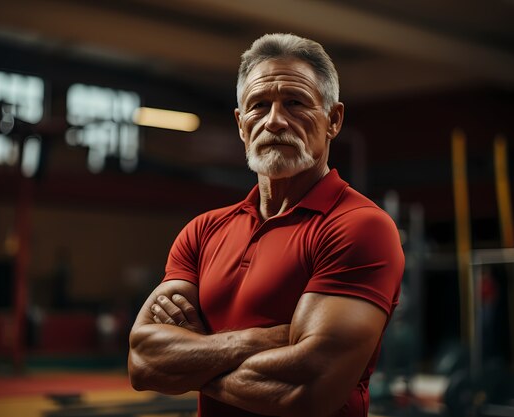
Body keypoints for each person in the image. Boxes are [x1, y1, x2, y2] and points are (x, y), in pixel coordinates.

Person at [128, 33, 405, 417]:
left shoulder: (360, 227)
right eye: (259, 106)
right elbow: (144, 362)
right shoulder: (203, 231)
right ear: (242, 125)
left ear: (333, 120)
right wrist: (266, 340)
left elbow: (307, 392)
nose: (275, 121)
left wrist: (192, 363)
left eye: (295, 103)